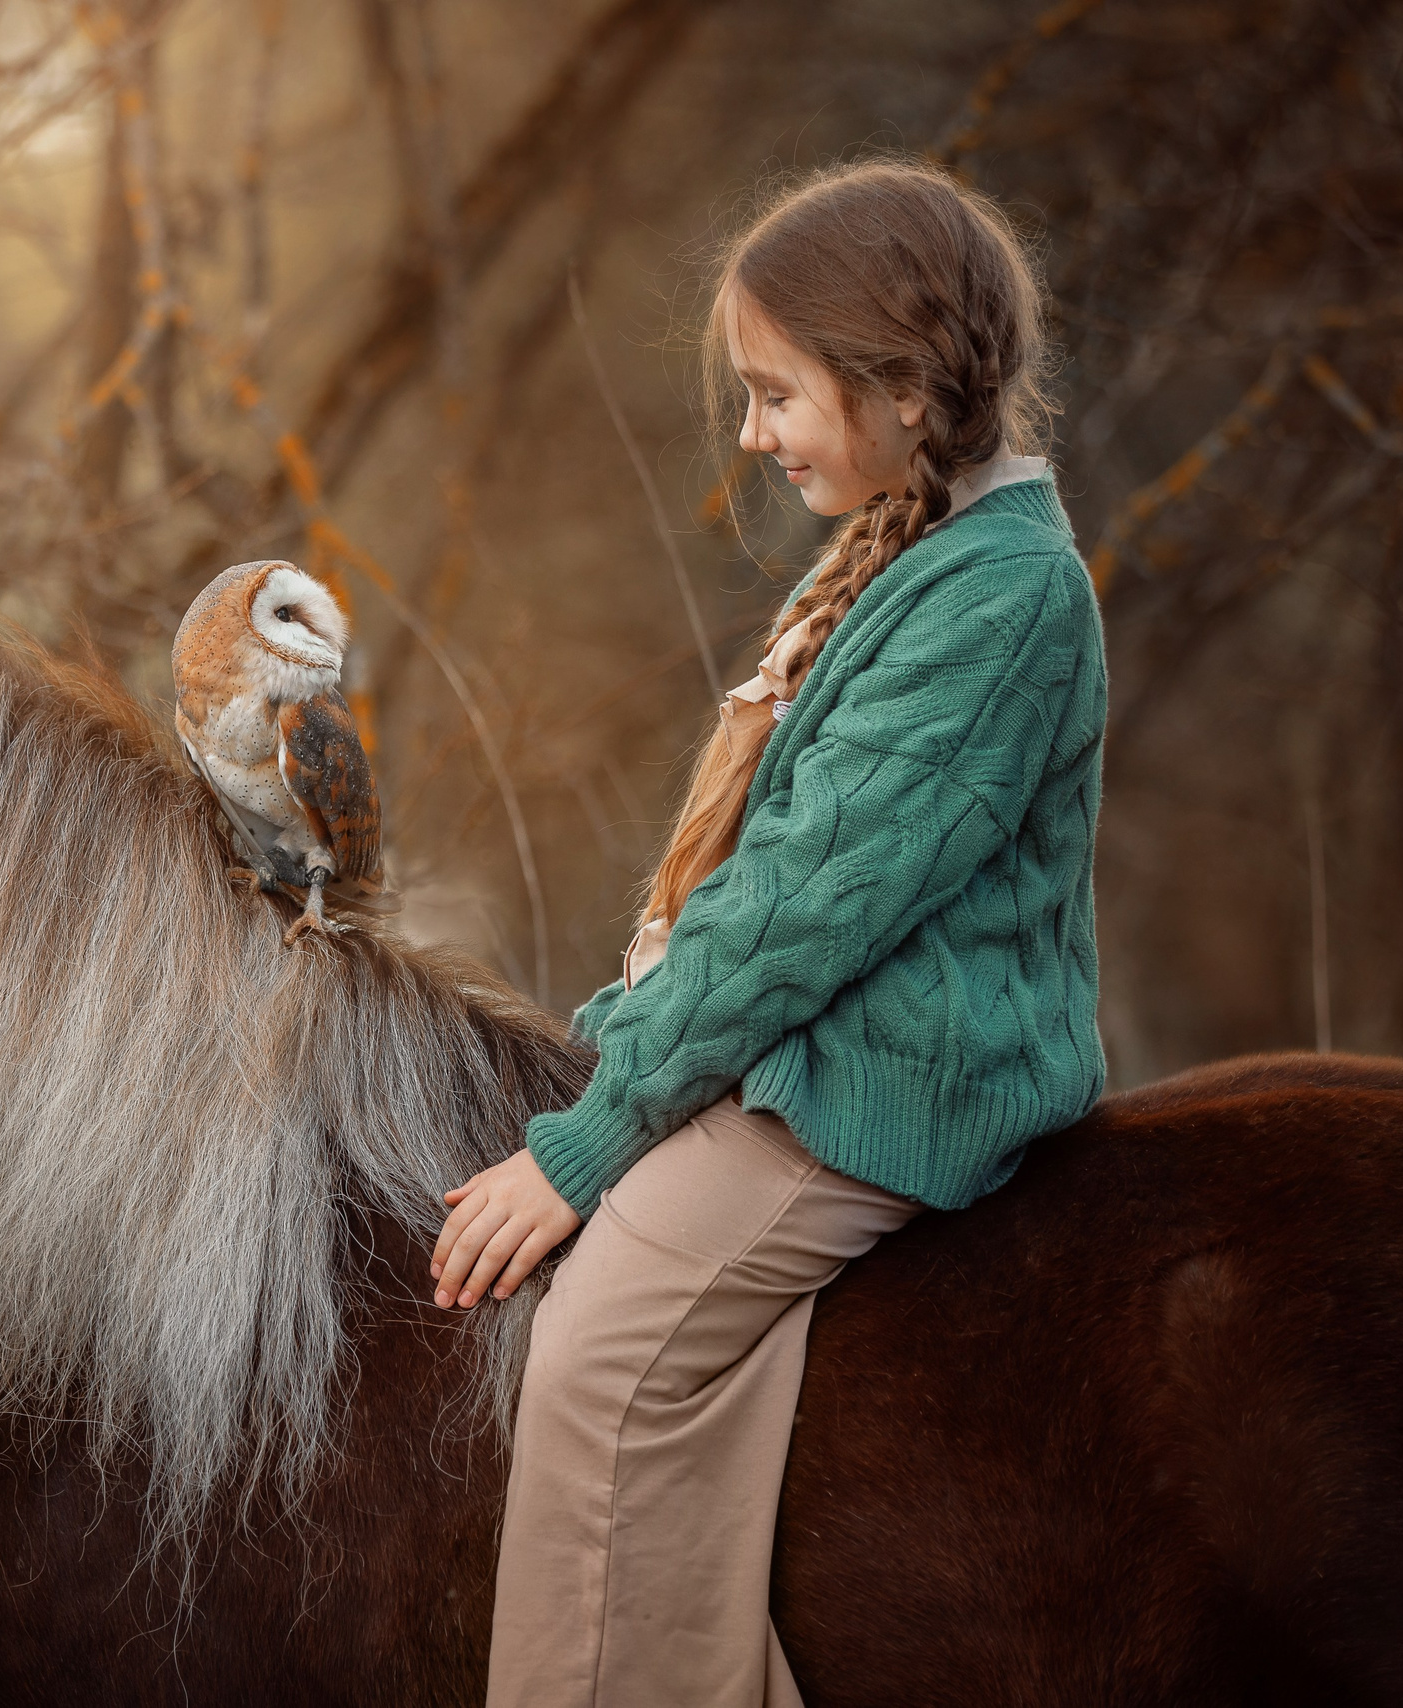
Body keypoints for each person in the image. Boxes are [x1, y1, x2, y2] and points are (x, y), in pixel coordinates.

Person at [429, 157, 1109, 1707]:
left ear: (899, 386)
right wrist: (625, 1041)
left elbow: (804, 908)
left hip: (882, 1079)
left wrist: (591, 1139)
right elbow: (751, 891)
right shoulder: (912, 550)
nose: (752, 434)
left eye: (776, 394)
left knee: (602, 1354)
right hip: (814, 1034)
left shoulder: (1001, 598)